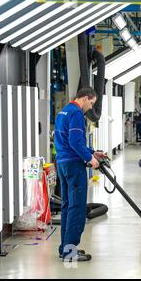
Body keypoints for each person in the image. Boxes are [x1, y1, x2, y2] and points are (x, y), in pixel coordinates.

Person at [54, 87, 106, 262]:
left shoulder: (63, 112)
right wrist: (89, 159)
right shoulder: (76, 113)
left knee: (67, 207)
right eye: (91, 103)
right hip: (73, 166)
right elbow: (75, 141)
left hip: (62, 164)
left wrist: (93, 153)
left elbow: (70, 141)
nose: (91, 108)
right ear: (85, 98)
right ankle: (70, 252)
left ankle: (65, 248)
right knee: (77, 208)